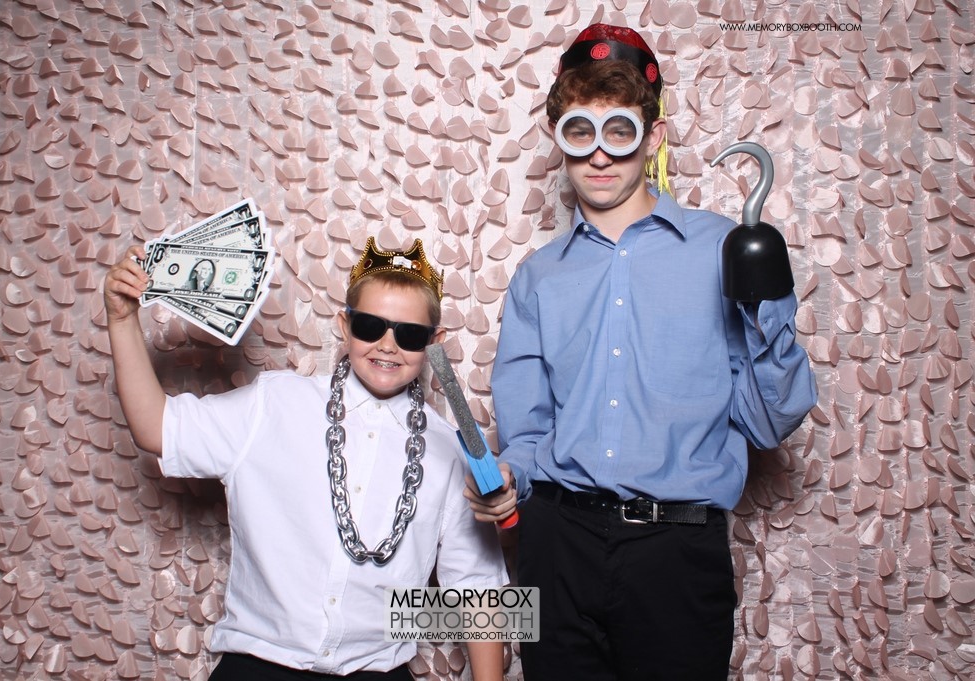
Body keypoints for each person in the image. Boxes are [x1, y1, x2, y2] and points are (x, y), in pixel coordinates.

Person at [466, 23, 818, 681]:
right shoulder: (537, 277)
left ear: (652, 138)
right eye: (581, 132)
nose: (600, 156)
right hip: (557, 546)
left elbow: (770, 423)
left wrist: (767, 304)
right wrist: (506, 479)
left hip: (676, 553)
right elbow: (528, 435)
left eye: (620, 131)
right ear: (559, 139)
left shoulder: (722, 248)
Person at [105, 236, 509, 681]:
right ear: (344, 325)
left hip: (378, 670)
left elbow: (479, 590)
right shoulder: (273, 403)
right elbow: (156, 428)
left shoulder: (452, 449)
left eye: (410, 334)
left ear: (435, 343)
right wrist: (121, 319)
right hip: (258, 666)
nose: (387, 345)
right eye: (370, 326)